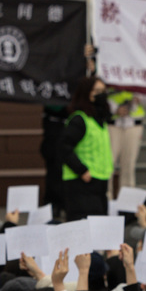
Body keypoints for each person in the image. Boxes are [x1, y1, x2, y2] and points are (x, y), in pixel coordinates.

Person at [59, 76, 113, 220]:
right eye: (96, 91)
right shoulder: (79, 120)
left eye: (103, 90)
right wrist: (81, 170)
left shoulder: (100, 120)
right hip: (82, 184)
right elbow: (63, 147)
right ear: (86, 93)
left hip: (99, 183)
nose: (101, 94)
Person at [107, 88, 146, 194]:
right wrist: (114, 108)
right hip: (112, 123)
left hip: (133, 123)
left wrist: (139, 98)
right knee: (108, 163)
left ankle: (127, 204)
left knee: (129, 166)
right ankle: (107, 200)